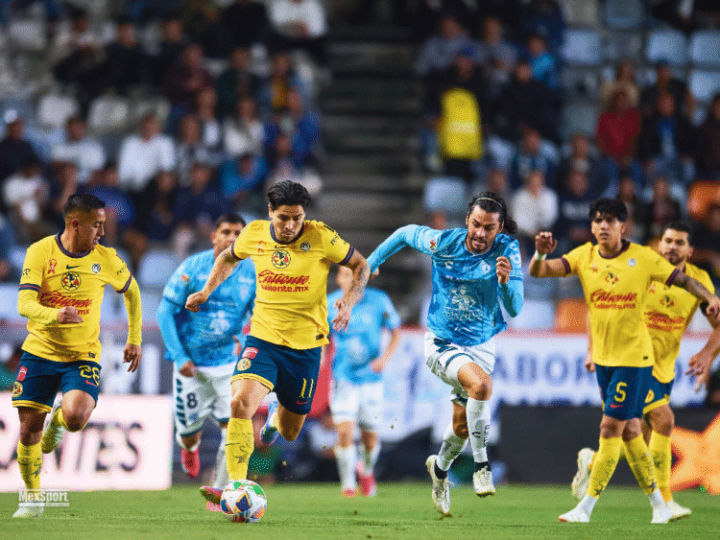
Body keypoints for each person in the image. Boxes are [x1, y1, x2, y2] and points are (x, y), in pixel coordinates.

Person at [529, 199, 720, 524]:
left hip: (647, 363)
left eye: (679, 243)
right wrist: (591, 349)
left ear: (690, 250)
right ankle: (661, 503)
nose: (671, 247)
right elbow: (595, 307)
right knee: (638, 429)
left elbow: (710, 313)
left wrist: (707, 350)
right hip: (616, 360)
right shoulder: (600, 258)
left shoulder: (655, 265)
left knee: (638, 426)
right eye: (667, 241)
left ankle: (595, 495)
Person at [185, 179, 370, 506]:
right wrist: (206, 290)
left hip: (305, 349)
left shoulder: (321, 237)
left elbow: (360, 265)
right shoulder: (254, 233)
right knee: (240, 403)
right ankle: (235, 486)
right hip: (263, 340)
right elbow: (227, 258)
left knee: (289, 430)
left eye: (297, 218)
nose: (290, 225)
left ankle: (274, 417)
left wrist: (349, 302)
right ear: (270, 212)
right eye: (283, 217)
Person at [366, 192, 524, 515]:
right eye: (476, 224)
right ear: (467, 220)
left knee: (461, 428)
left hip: (482, 345)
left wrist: (506, 282)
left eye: (488, 228)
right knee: (483, 386)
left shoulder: (507, 250)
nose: (480, 233)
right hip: (442, 343)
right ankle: (482, 466)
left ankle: (439, 471)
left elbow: (515, 308)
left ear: (500, 228)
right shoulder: (443, 243)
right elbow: (405, 233)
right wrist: (372, 262)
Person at [12, 193, 142, 518]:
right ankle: (32, 499)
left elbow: (132, 292)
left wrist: (134, 338)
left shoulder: (106, 258)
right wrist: (55, 315)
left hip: (82, 355)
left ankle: (59, 418)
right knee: (28, 430)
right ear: (75, 224)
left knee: (76, 417)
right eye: (96, 225)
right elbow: (24, 304)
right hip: (39, 351)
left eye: (103, 225)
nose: (102, 232)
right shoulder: (40, 251)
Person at [156, 213, 256, 507]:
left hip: (228, 364)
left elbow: (257, 317)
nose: (233, 238)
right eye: (226, 232)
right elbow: (164, 311)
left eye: (239, 233)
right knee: (188, 434)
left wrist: (246, 344)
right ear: (214, 236)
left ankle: (221, 490)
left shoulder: (252, 273)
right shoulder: (193, 268)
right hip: (192, 366)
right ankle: (190, 448)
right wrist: (179, 356)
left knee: (234, 426)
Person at [324, 265, 402, 498]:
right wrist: (319, 359)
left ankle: (366, 472)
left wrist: (384, 359)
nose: (350, 280)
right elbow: (322, 337)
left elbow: (396, 331)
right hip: (343, 377)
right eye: (345, 275)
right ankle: (348, 485)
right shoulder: (329, 304)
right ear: (339, 278)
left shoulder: (379, 300)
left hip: (371, 379)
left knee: (369, 437)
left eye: (355, 276)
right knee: (344, 432)